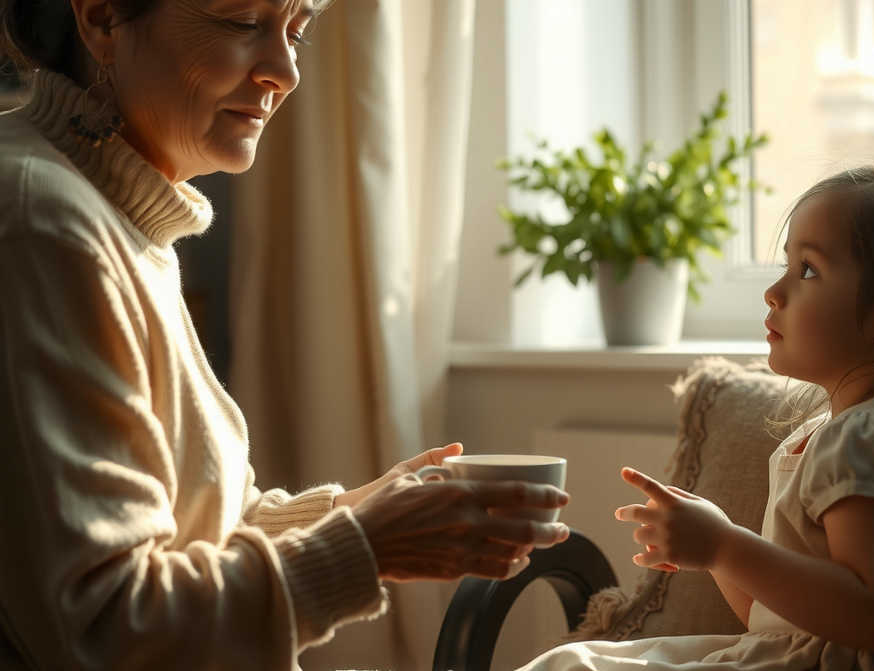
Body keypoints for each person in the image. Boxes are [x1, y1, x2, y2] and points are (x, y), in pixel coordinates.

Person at [0, 1, 571, 669]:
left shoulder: (116, 219)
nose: (287, 71)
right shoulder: (39, 225)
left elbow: (197, 527)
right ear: (101, 19)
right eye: (244, 23)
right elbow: (106, 629)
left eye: (296, 32)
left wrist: (362, 511)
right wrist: (366, 546)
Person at [518, 161, 874, 671]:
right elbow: (778, 616)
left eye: (807, 270)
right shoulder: (851, 432)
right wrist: (711, 547)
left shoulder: (872, 436)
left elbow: (873, 617)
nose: (773, 292)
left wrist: (722, 546)